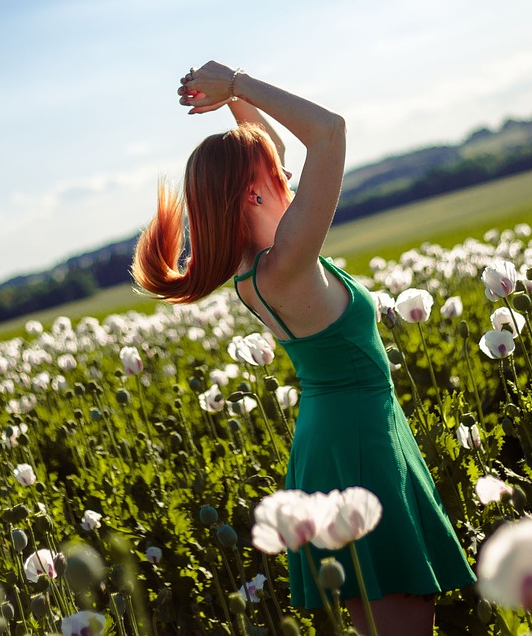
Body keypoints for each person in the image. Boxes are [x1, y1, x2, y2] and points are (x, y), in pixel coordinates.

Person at [132, 62, 475, 635]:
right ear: (252, 193)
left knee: (388, 616)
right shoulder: (289, 262)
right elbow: (330, 131)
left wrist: (234, 108)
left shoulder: (260, 269)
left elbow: (269, 147)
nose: (289, 176)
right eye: (279, 173)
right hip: (359, 441)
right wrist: (238, 82)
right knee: (404, 619)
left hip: (340, 435)